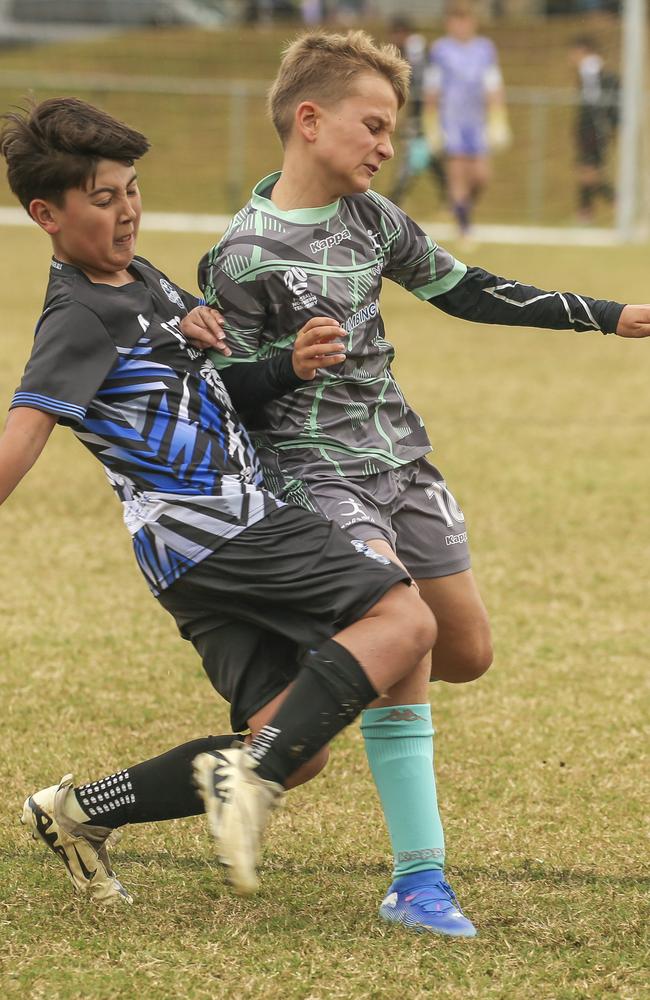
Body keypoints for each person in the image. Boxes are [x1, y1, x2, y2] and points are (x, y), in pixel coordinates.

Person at [195, 27, 650, 938]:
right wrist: (285, 365)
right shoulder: (241, 256)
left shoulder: (376, 220)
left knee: (467, 650)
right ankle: (418, 882)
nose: (386, 146)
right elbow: (223, 397)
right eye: (373, 125)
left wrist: (612, 315)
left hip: (402, 464)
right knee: (403, 632)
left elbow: (464, 287)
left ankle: (318, 679)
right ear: (310, 120)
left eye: (394, 131)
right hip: (315, 477)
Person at [1, 97, 442, 917]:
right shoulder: (78, 318)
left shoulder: (140, 282)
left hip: (186, 558)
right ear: (45, 215)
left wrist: (283, 368)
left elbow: (205, 393)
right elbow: (24, 435)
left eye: (131, 190)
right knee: (405, 622)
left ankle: (74, 814)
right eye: (103, 200)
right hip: (225, 527)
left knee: (286, 740)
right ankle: (251, 787)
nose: (127, 211)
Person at [425, 3, 510, 239]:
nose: (461, 25)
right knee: (458, 171)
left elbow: (493, 85)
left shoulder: (485, 49)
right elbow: (433, 89)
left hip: (477, 121)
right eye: (456, 20)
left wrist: (499, 119)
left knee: (482, 175)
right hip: (452, 121)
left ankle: (461, 207)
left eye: (465, 20)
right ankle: (464, 226)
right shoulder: (441, 50)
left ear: (473, 22)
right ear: (448, 24)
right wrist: (431, 124)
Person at [387, 15, 447, 209]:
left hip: (424, 114)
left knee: (416, 158)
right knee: (425, 157)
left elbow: (418, 84)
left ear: (402, 32)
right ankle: (449, 196)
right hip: (422, 114)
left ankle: (395, 198)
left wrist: (410, 115)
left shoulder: (416, 48)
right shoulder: (415, 49)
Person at [568, 35, 618, 224]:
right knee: (586, 173)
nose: (571, 57)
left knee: (589, 173)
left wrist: (603, 128)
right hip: (591, 130)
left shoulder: (590, 69)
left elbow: (594, 106)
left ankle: (617, 202)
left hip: (593, 131)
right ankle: (585, 213)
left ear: (583, 51)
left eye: (573, 53)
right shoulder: (589, 72)